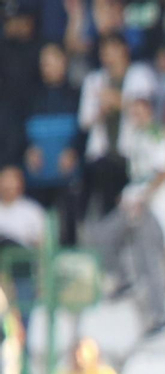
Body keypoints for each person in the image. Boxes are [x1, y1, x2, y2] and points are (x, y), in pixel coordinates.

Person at [91, 90, 165, 334]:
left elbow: (163, 171)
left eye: (140, 110)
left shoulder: (159, 133)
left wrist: (144, 198)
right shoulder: (134, 136)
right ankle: (122, 278)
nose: (135, 115)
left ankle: (159, 314)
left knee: (147, 257)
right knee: (102, 236)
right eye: (132, 111)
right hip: (132, 201)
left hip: (151, 205)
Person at [77, 32, 158, 220]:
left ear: (124, 50)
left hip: (132, 153)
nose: (108, 56)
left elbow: (147, 113)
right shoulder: (94, 80)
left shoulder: (140, 75)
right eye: (104, 51)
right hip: (103, 155)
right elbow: (84, 121)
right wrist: (101, 111)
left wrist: (119, 101)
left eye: (112, 50)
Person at [24, 43, 81, 246]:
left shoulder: (76, 94)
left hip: (68, 176)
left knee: (69, 226)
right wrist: (27, 150)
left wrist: (74, 151)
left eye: (52, 61)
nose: (47, 67)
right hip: (37, 177)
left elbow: (85, 130)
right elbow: (20, 131)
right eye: (44, 63)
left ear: (64, 62)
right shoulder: (30, 97)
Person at [0, 165, 47, 249]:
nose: (8, 186)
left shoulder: (32, 210)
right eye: (4, 182)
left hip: (24, 256)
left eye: (11, 182)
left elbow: (42, 241)